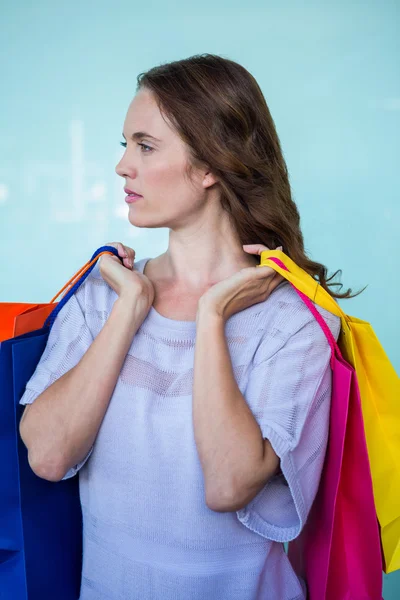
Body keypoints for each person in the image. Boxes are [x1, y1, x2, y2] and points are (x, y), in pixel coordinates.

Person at [19, 53, 358, 600]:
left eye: (144, 146)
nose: (122, 165)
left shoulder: (294, 322)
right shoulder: (105, 294)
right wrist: (130, 310)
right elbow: (49, 457)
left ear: (209, 166)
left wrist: (211, 315)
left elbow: (228, 485)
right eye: (124, 143)